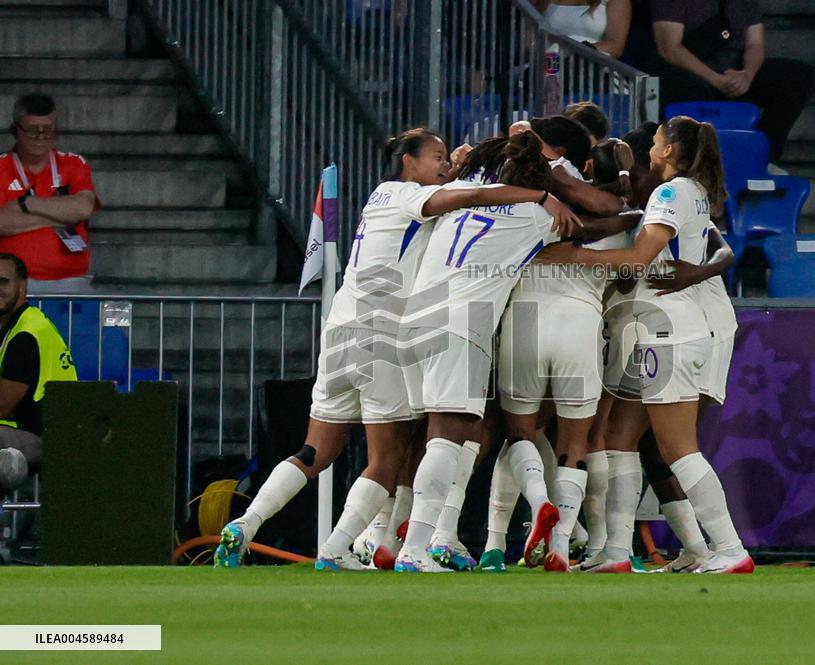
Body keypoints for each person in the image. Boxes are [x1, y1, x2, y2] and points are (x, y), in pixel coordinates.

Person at [213, 128, 580, 571]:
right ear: (408, 160)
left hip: (339, 330)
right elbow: (464, 199)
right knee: (392, 457)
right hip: (383, 336)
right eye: (436, 156)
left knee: (314, 452)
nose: (444, 165)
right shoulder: (411, 196)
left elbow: (464, 193)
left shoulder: (379, 196)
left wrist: (465, 173)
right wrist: (539, 196)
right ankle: (354, 548)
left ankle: (246, 525)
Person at [394, 131, 626, 572]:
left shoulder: (458, 192)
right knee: (447, 438)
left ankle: (407, 538)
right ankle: (415, 550)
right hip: (460, 325)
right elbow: (597, 224)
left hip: (413, 319)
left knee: (435, 436)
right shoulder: (532, 216)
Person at [537, 116, 754, 574]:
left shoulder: (672, 193)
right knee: (619, 439)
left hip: (672, 330)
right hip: (656, 328)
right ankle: (616, 552)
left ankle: (731, 549)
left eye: (656, 142)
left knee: (678, 448)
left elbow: (640, 259)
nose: (651, 149)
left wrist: (575, 257)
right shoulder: (689, 193)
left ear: (670, 151)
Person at [643, 0, 814, 163]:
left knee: (796, 76)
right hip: (691, 74)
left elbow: (755, 43)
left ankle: (760, 156)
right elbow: (669, 49)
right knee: (692, 90)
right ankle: (698, 162)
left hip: (735, 74)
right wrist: (715, 79)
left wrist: (747, 74)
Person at [0, 94, 100, 292]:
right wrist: (63, 215)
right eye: (31, 130)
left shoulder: (73, 163)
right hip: (11, 285)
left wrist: (27, 203)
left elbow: (83, 208)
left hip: (72, 281)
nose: (40, 137)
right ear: (16, 130)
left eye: (47, 130)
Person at [0, 253, 78, 493]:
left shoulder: (25, 334)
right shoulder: (21, 324)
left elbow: (3, 406)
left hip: (46, 437)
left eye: (3, 281)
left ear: (23, 286)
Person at [534, 0, 632, 59]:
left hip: (593, 72)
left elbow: (615, 46)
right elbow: (528, 39)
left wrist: (571, 51)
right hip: (548, 68)